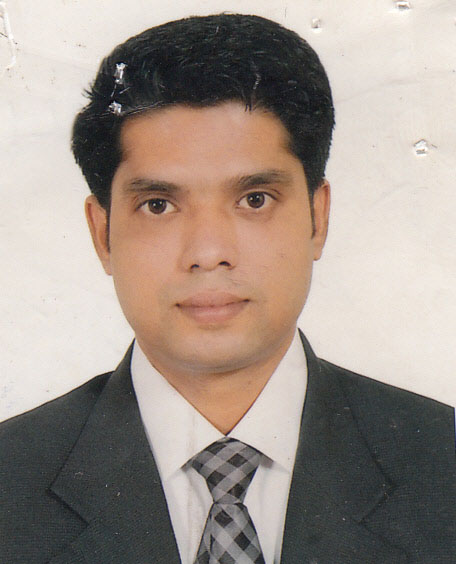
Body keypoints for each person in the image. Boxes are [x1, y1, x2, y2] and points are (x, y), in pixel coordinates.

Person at [0, 13, 454, 564]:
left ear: (318, 218)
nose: (209, 251)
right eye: (159, 205)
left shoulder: (443, 465)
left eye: (254, 200)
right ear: (103, 235)